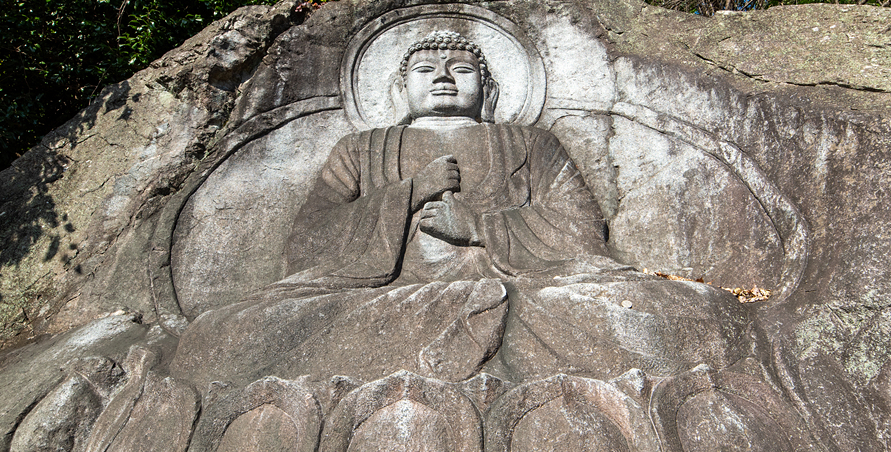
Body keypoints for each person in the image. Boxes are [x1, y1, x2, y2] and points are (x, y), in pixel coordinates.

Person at [167, 32, 756, 390]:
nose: (445, 78)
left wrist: (480, 228)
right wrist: (407, 192)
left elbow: (582, 229)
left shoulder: (528, 142)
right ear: (400, 88)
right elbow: (308, 242)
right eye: (426, 71)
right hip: (381, 300)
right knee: (224, 337)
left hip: (524, 295)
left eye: (463, 69)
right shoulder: (363, 148)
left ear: (488, 88)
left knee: (683, 315)